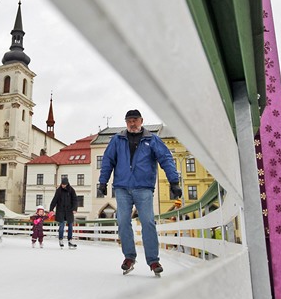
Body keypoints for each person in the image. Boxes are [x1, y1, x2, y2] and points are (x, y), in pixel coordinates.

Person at [98, 109, 182, 275]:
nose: (132, 123)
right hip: (122, 188)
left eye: (135, 120)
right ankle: (129, 257)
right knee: (122, 221)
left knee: (148, 222)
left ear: (141, 121)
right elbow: (108, 160)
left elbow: (166, 158)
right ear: (126, 122)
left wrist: (174, 181)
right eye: (129, 120)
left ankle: (153, 260)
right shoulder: (117, 139)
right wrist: (103, 182)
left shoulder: (152, 139)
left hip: (143, 188)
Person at [49, 176, 78, 248]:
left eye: (64, 184)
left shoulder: (71, 190)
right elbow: (54, 200)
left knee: (70, 226)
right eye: (62, 184)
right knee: (61, 226)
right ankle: (61, 239)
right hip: (61, 211)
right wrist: (51, 209)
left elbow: (75, 200)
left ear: (67, 184)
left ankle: (70, 241)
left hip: (69, 211)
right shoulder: (59, 190)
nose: (63, 185)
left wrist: (74, 209)